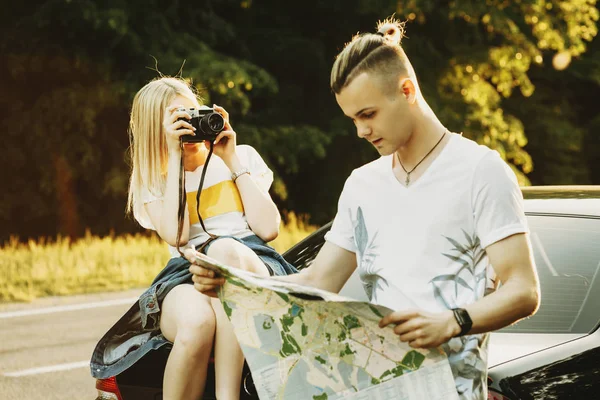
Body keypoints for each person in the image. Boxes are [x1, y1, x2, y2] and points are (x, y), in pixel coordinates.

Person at [190, 19, 541, 400]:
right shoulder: (362, 185)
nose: (360, 131)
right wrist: (235, 285)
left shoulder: (481, 171)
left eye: (368, 114)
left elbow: (524, 290)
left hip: (450, 389)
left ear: (406, 90)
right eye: (353, 119)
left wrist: (453, 322)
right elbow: (316, 283)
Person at [90, 76, 297, 400]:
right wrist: (175, 160)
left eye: (193, 112)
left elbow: (269, 228)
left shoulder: (240, 156)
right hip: (185, 273)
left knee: (225, 249)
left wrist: (231, 159)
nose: (192, 124)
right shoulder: (155, 179)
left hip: (248, 260)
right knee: (196, 323)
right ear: (157, 130)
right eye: (179, 120)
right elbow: (177, 235)